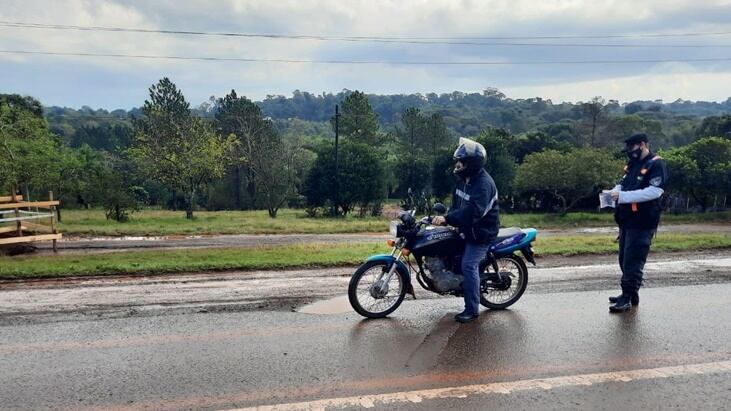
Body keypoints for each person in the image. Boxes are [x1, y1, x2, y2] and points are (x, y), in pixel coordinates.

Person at [432, 137, 500, 323]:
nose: (458, 164)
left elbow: (472, 213)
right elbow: (457, 206)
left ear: (471, 163)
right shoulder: (463, 181)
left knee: (468, 265)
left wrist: (447, 219)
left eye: (461, 161)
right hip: (465, 229)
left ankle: (472, 309)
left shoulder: (483, 185)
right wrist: (448, 219)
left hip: (480, 234)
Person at [608, 133, 668, 313]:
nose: (629, 152)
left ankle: (627, 298)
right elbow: (623, 184)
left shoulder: (657, 164)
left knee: (633, 261)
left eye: (632, 147)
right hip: (627, 221)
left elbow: (655, 191)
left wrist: (623, 197)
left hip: (643, 221)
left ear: (642, 144)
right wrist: (614, 192)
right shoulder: (633, 164)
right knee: (624, 260)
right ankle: (630, 294)